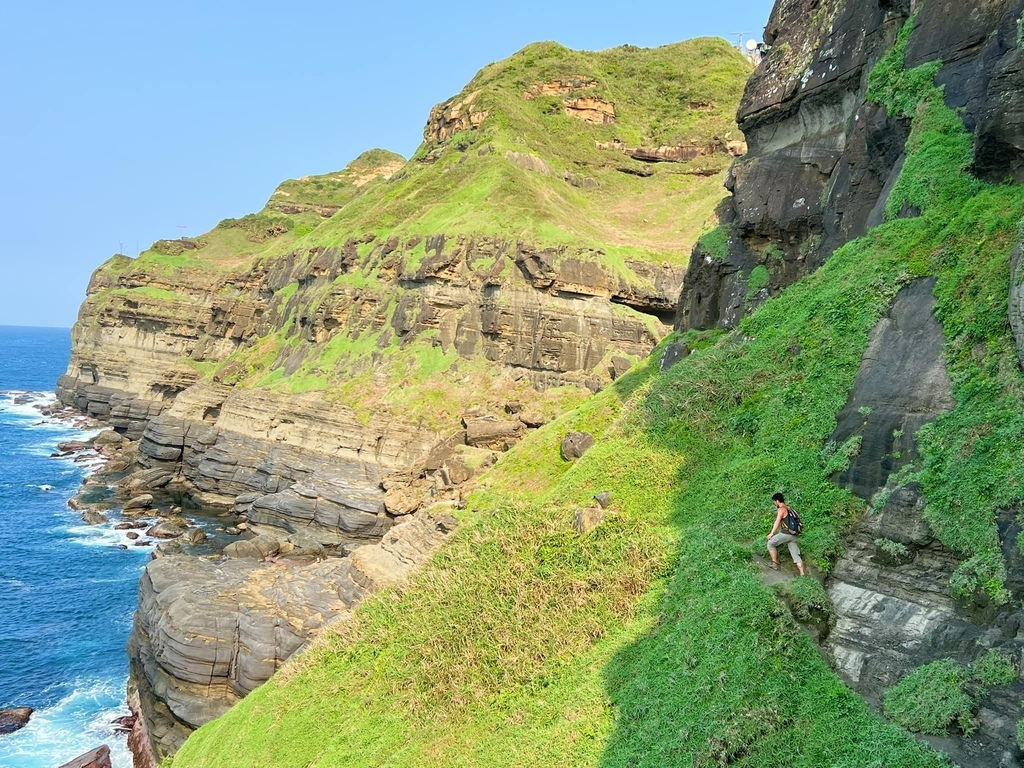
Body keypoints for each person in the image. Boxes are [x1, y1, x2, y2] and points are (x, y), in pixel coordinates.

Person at [766, 492, 805, 575]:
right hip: (794, 536)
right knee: (796, 555)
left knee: (770, 543)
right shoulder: (788, 508)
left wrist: (771, 533)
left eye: (774, 502)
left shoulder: (781, 509)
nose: (774, 504)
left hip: (786, 534)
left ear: (777, 501)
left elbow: (777, 521)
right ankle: (802, 574)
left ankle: (775, 564)